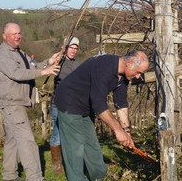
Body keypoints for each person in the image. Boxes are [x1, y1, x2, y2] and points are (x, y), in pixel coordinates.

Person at [54, 50, 149, 181]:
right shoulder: (104, 67)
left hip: (85, 105)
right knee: (74, 147)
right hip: (69, 101)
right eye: (138, 72)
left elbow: (121, 104)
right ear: (129, 63)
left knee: (91, 144)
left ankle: (100, 177)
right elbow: (99, 104)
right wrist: (117, 130)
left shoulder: (123, 77)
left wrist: (126, 132)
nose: (139, 77)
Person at [0, 23, 60, 181]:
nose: (17, 36)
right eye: (13, 33)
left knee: (13, 139)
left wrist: (49, 61)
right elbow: (17, 73)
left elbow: (32, 66)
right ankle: (35, 178)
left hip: (16, 103)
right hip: (11, 103)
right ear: (4, 36)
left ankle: (9, 176)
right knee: (27, 141)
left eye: (19, 33)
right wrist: (44, 72)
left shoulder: (19, 52)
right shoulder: (2, 54)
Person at [50, 36, 80, 174]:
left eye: (75, 48)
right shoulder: (59, 62)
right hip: (58, 103)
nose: (73, 51)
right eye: (71, 48)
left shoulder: (78, 65)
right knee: (57, 133)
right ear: (65, 48)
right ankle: (57, 164)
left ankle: (72, 161)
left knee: (72, 133)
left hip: (73, 105)